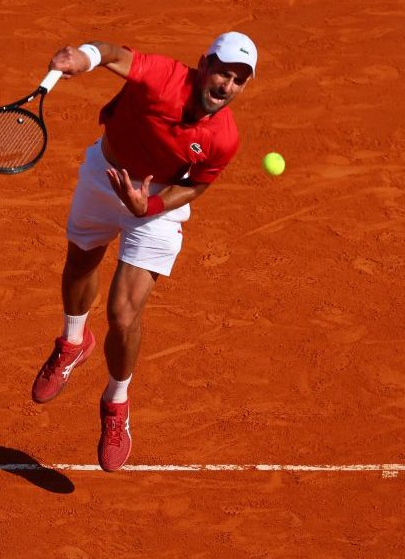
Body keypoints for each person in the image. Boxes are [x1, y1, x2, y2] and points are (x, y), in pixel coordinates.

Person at [29, 32, 257, 471]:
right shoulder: (162, 77)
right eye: (223, 73)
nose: (227, 86)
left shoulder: (224, 138)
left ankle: (116, 403)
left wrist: (148, 205)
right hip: (105, 173)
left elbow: (196, 184)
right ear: (203, 64)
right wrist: (85, 56)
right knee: (80, 261)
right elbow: (114, 54)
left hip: (155, 206)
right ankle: (73, 341)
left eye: (239, 81)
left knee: (123, 313)